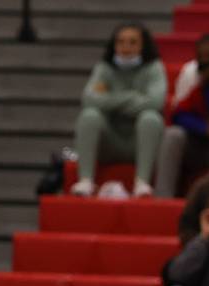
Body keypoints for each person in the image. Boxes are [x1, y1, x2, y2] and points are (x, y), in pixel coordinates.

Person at [70, 23, 165, 198]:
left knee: (150, 118)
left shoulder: (154, 68)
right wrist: (131, 98)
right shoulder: (104, 68)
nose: (126, 48)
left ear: (143, 46)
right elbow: (89, 99)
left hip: (139, 142)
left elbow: (155, 102)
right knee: (89, 115)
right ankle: (86, 181)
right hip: (111, 140)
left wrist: (110, 100)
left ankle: (142, 183)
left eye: (132, 42)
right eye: (120, 42)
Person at [156, 33, 209, 197]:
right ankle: (162, 198)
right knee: (172, 134)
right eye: (201, 57)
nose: (206, 61)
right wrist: (206, 129)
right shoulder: (190, 73)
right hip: (198, 140)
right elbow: (178, 115)